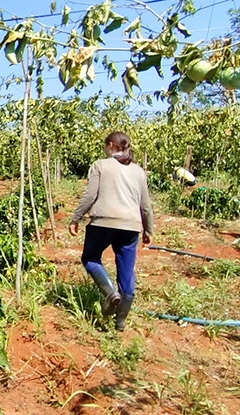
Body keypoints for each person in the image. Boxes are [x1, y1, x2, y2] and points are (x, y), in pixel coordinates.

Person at [69, 132, 154, 331]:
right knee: (126, 270)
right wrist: (148, 229)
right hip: (130, 227)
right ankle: (120, 321)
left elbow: (90, 195)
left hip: (102, 222)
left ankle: (109, 293)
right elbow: (146, 205)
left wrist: (76, 218)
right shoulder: (139, 172)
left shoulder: (101, 165)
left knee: (90, 258)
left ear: (110, 145)